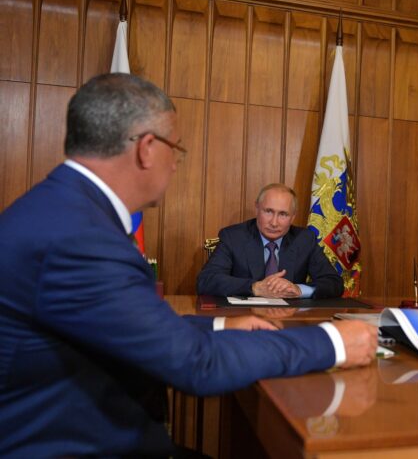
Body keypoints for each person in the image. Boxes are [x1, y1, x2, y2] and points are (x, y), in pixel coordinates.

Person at [0, 73, 376, 457]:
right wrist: (333, 343)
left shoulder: (62, 210)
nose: (176, 164)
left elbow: (131, 325)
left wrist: (220, 324)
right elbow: (197, 365)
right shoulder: (80, 237)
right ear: (147, 149)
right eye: (175, 149)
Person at [196, 183, 344, 299]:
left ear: (293, 217)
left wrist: (299, 290)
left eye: (283, 214)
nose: (274, 222)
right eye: (268, 211)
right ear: (257, 209)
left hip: (290, 321)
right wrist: (255, 287)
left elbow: (334, 283)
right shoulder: (233, 237)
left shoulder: (304, 239)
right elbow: (206, 281)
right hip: (242, 320)